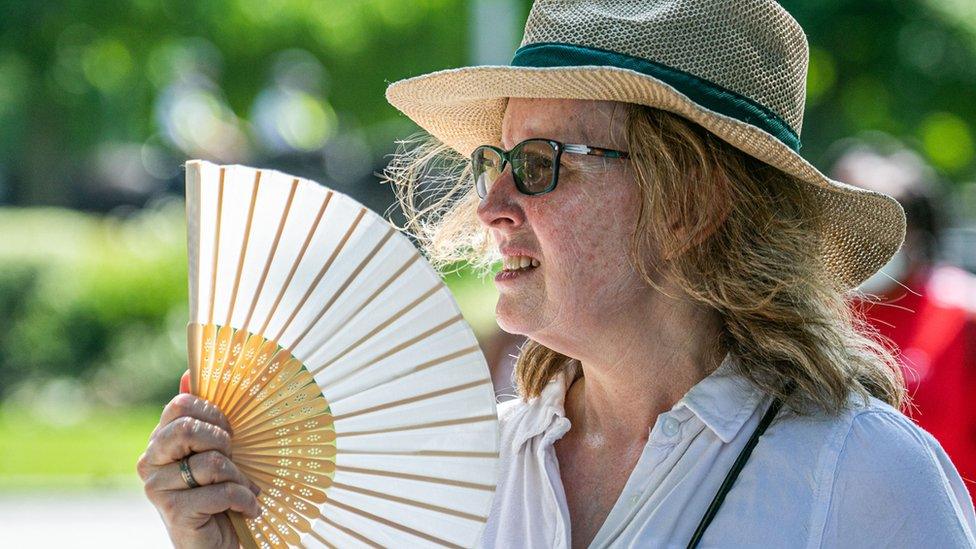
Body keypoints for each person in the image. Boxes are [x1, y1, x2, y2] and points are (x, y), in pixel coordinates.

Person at [139, 1, 976, 547]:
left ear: (694, 200)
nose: (493, 203)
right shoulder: (464, 469)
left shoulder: (868, 482)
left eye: (540, 164)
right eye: (493, 160)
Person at [834, 143, 976, 501]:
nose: (860, 242)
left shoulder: (963, 314)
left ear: (915, 232)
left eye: (878, 226)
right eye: (847, 222)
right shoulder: (818, 314)